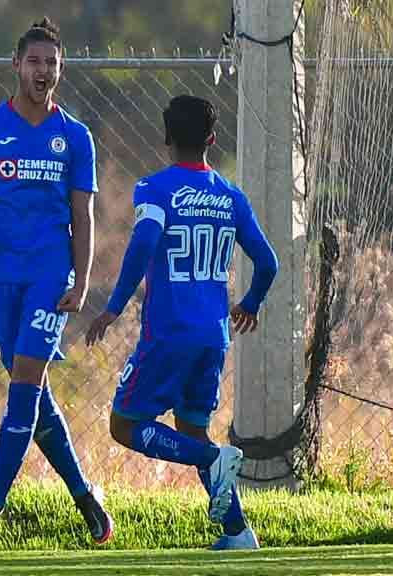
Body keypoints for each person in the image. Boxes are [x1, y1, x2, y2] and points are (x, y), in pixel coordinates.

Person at [85, 94, 278, 550]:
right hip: (215, 336)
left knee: (125, 424)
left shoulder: (154, 189)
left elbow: (144, 242)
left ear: (167, 137)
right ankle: (237, 531)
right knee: (190, 427)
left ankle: (213, 458)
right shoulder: (231, 197)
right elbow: (268, 262)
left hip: (169, 334)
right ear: (211, 140)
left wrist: (113, 307)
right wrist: (249, 302)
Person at [0, 16, 112, 546]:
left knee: (23, 391)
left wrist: (81, 281)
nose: (43, 71)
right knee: (33, 397)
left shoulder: (76, 138)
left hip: (49, 277)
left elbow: (83, 217)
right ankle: (87, 499)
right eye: (34, 61)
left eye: (52, 63)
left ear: (60, 70)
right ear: (17, 65)